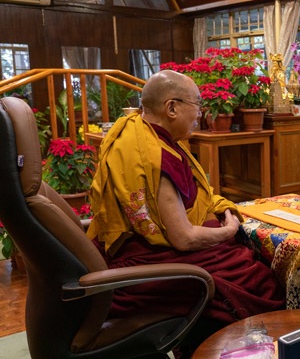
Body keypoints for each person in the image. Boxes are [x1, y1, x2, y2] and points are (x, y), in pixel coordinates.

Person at [86, 70, 285, 355]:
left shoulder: (133, 132)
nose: (200, 115)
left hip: (125, 247)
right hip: (147, 260)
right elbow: (183, 239)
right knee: (257, 276)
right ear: (171, 108)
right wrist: (227, 231)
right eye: (197, 106)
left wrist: (218, 207)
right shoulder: (156, 156)